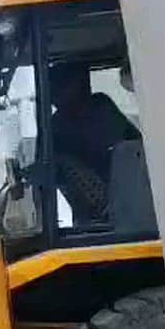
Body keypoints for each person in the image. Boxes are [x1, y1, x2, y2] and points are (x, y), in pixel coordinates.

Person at [49, 63, 142, 225]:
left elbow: (133, 147)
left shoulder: (101, 106)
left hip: (132, 197)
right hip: (93, 215)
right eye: (57, 90)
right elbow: (50, 173)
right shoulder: (54, 128)